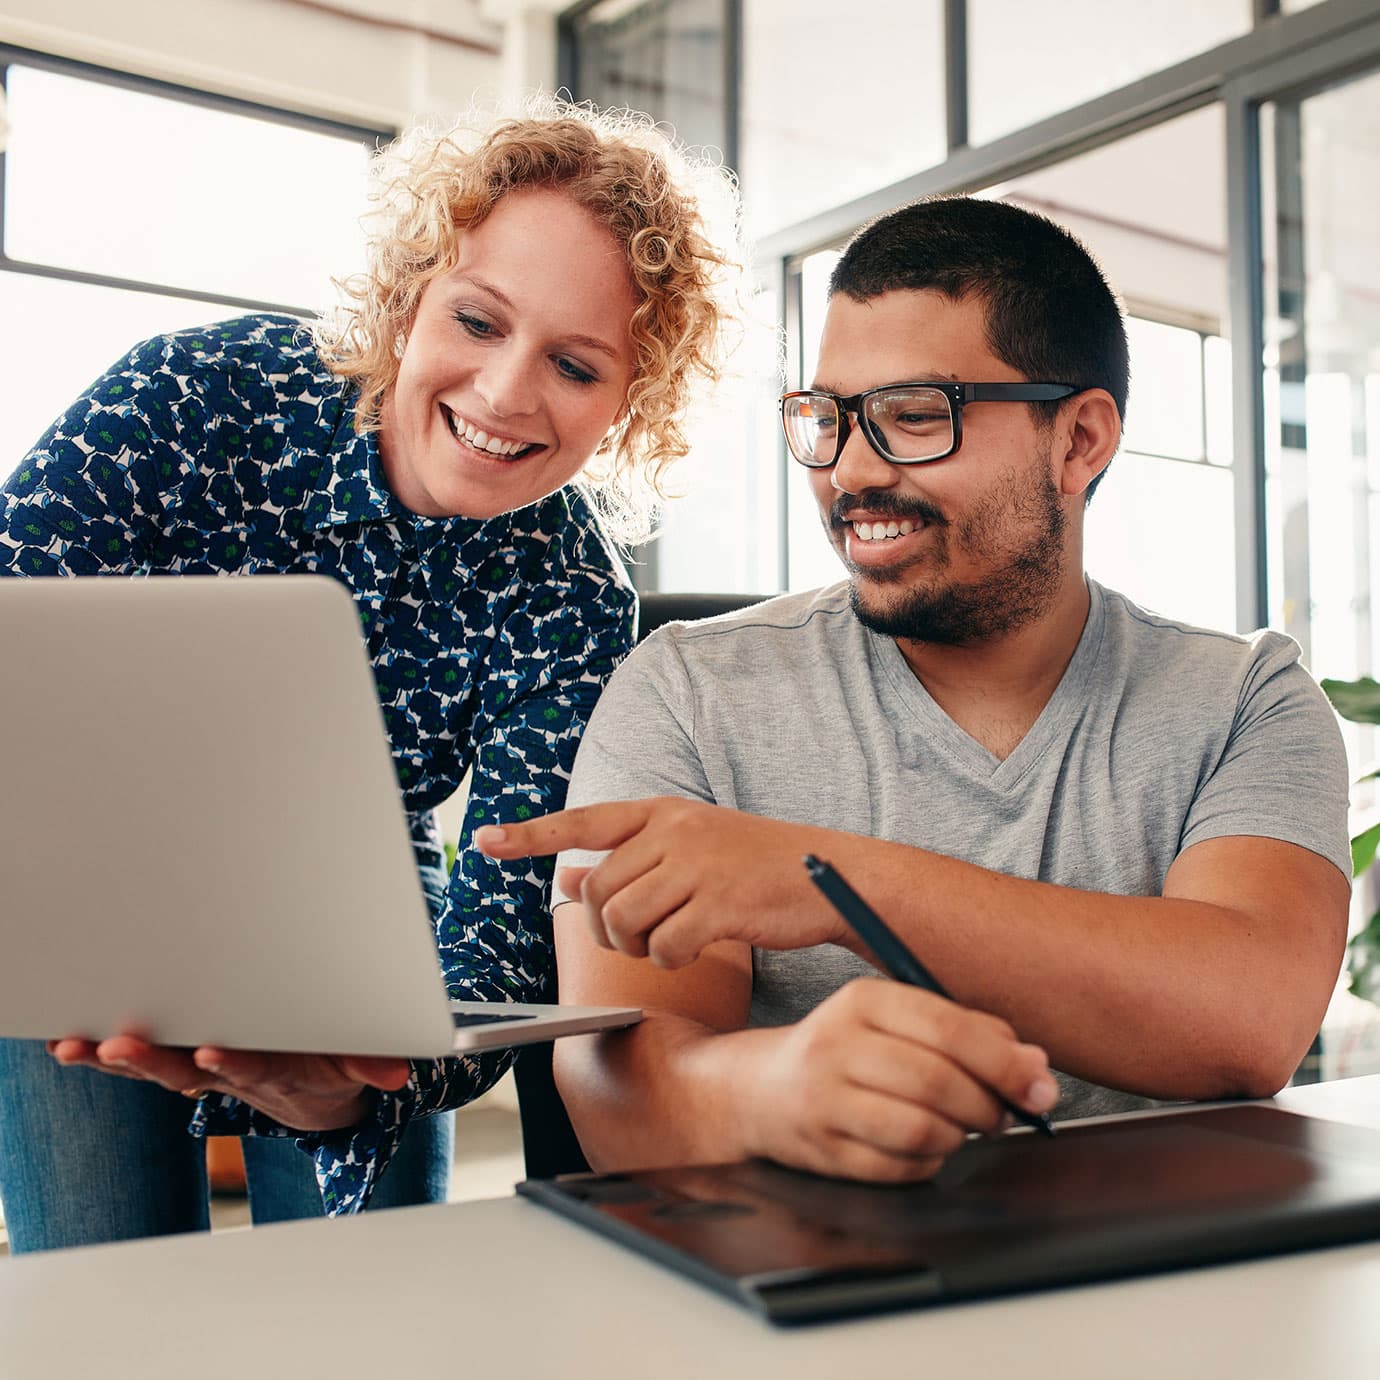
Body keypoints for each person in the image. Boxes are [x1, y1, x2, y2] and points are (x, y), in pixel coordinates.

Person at [476, 194, 1353, 1185]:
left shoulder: (1248, 699)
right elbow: (615, 1094)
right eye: (827, 419)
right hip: (801, 1297)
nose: (850, 471)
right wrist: (771, 1093)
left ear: (1080, 441)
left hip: (1167, 1289)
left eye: (913, 417)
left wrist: (831, 882)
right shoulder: (684, 689)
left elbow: (1248, 1019)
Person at [0, 103, 743, 1249]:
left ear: (630, 402)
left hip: (352, 926)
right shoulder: (190, 398)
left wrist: (365, 1078)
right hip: (93, 895)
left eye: (576, 364)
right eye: (478, 319)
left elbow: (504, 923)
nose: (504, 394)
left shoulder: (574, 599)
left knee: (363, 1307)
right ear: (408, 301)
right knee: (103, 1295)